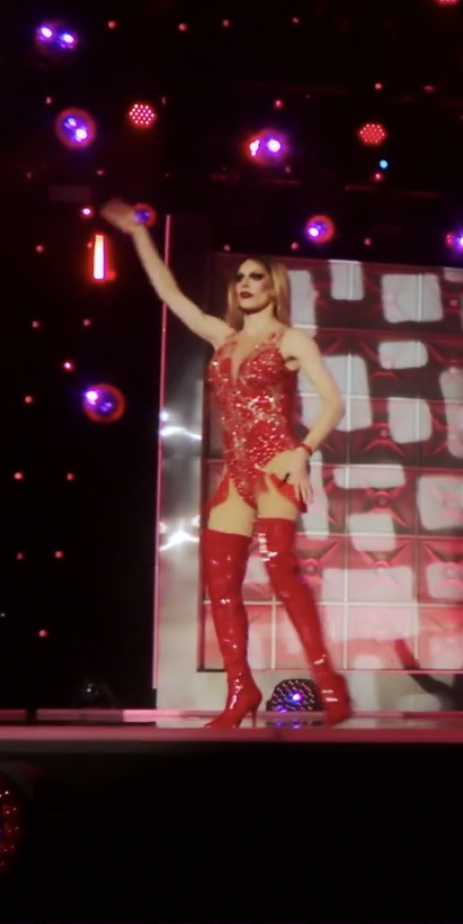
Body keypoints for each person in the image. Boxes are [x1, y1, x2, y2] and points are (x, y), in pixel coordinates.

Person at [104, 203, 352, 725]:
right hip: (235, 474)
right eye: (239, 278)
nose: (244, 284)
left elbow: (333, 402)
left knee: (282, 574)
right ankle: (241, 691)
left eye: (255, 277)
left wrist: (303, 452)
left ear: (273, 287)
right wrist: (139, 235)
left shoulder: (291, 340)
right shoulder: (224, 336)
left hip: (276, 464)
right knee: (220, 584)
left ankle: (331, 687)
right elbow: (170, 294)